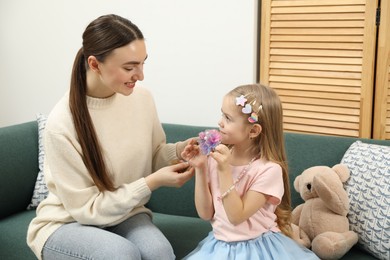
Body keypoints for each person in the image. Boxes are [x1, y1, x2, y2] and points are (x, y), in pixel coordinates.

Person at [27, 14, 194, 260]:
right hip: (69, 221)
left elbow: (153, 154)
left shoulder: (142, 98)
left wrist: (180, 151)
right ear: (95, 64)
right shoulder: (61, 123)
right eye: (129, 67)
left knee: (159, 253)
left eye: (142, 63)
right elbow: (87, 209)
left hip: (124, 213)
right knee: (119, 254)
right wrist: (151, 183)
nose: (140, 75)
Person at [181, 84, 319, 259]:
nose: (219, 122)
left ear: (253, 130)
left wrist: (224, 170)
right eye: (222, 114)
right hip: (219, 247)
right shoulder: (217, 159)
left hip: (258, 249)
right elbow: (205, 213)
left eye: (228, 118)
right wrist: (201, 168)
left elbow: (236, 216)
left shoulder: (269, 170)